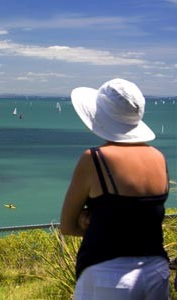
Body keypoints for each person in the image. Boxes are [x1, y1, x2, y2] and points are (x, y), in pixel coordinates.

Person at [60, 78, 169, 299]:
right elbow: (143, 218)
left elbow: (68, 225)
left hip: (107, 277)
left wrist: (96, 222)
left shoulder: (94, 159)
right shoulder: (158, 158)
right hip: (157, 272)